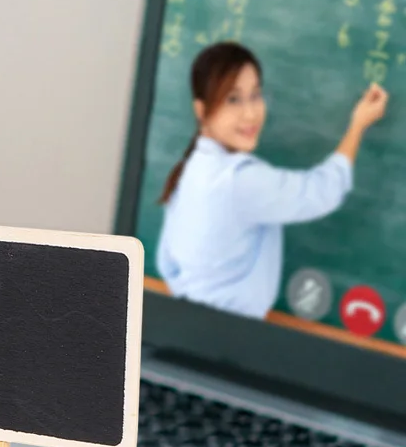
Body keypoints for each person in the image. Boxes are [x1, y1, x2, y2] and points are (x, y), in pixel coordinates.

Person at [156, 40, 388, 319]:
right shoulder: (239, 181)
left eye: (255, 95)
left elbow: (166, 263)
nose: (251, 113)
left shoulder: (190, 169)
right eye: (233, 99)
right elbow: (322, 191)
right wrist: (358, 125)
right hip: (227, 338)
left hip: (185, 324)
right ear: (201, 110)